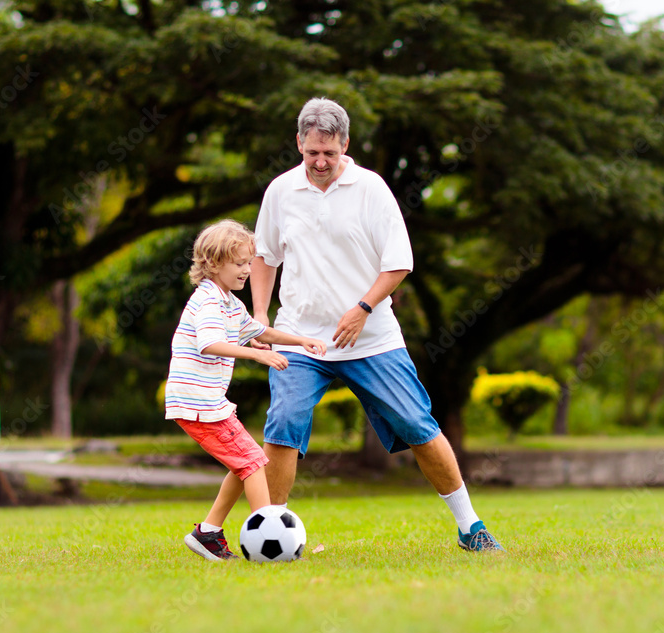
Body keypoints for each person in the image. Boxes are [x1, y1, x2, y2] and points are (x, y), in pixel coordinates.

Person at [250, 98, 504, 552]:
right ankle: (271, 533)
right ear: (299, 144)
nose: (321, 162)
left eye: (329, 152)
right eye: (312, 153)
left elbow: (398, 263)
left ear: (345, 144)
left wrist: (361, 309)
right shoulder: (280, 192)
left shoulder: (371, 189)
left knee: (416, 423)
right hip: (300, 339)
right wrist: (261, 315)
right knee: (283, 425)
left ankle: (471, 528)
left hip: (372, 337)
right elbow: (265, 256)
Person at [165, 219, 327, 561]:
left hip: (208, 403)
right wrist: (256, 354)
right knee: (253, 462)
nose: (246, 271)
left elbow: (260, 331)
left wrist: (301, 340)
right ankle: (269, 537)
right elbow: (210, 343)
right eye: (239, 264)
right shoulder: (208, 300)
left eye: (248, 263)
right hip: (198, 404)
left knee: (244, 464)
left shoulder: (229, 303)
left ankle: (207, 532)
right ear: (213, 264)